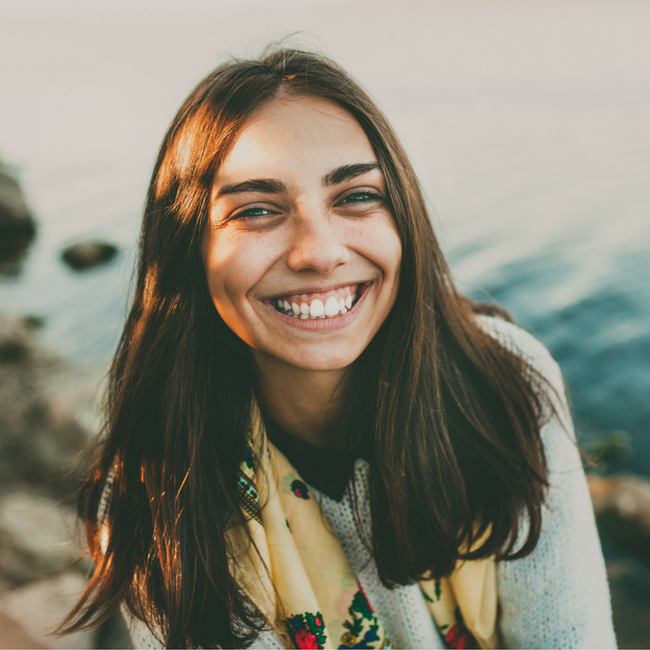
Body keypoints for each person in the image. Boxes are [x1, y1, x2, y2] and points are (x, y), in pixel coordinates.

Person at [58, 47, 616, 649]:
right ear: (188, 250)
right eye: (256, 210)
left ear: (403, 217)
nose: (319, 252)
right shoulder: (159, 489)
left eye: (355, 196)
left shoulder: (506, 380)